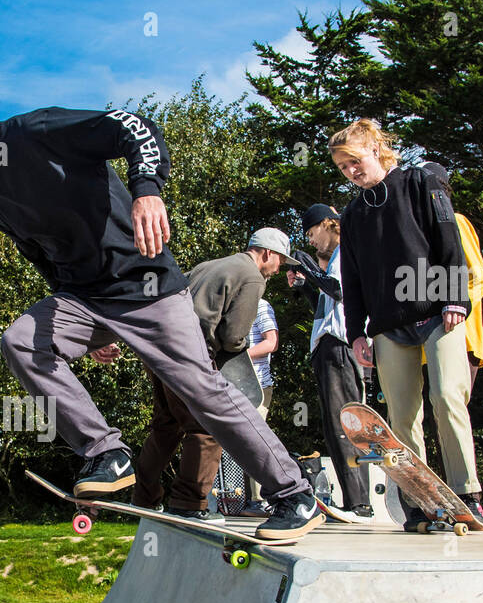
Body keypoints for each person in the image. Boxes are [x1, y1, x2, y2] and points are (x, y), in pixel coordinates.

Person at [0, 89, 323, 540]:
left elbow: (136, 128)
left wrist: (147, 192)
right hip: (83, 299)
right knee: (22, 341)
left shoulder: (35, 132)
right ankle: (106, 453)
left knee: (202, 392)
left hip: (145, 285)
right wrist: (77, 324)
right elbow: (41, 253)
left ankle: (295, 495)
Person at [330, 118, 483, 526]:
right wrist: (356, 331)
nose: (351, 171)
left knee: (447, 397)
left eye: (355, 161)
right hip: (387, 325)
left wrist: (455, 297)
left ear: (376, 150)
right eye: (343, 167)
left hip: (437, 311)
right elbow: (354, 277)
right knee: (400, 418)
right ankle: (418, 502)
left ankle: (467, 493)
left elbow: (448, 241)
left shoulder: (419, 183)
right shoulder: (352, 215)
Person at [131, 230, 296, 518]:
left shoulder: (208, 265)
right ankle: (189, 504)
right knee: (207, 429)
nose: (280, 268)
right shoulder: (252, 276)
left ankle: (143, 499)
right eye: (281, 260)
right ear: (267, 253)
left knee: (166, 426)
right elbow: (233, 336)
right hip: (188, 356)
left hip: (156, 349)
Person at [287, 204, 372, 516]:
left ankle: (360, 503)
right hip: (328, 344)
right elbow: (325, 304)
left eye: (312, 233)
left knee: (345, 423)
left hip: (339, 345)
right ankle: (355, 500)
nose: (310, 240)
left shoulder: (347, 251)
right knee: (334, 425)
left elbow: (340, 291)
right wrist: (306, 286)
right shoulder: (332, 260)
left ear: (329, 224)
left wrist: (309, 269)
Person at [418, 163, 483, 392]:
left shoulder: (456, 221)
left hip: (461, 336)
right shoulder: (421, 234)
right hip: (428, 342)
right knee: (438, 420)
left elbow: (478, 277)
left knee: (451, 413)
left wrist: (453, 308)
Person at [242, 296, 279, 513]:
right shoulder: (232, 306)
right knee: (243, 441)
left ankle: (264, 500)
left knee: (256, 440)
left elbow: (271, 342)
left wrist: (239, 357)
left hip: (258, 385)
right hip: (236, 383)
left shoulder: (261, 305)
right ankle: (253, 500)